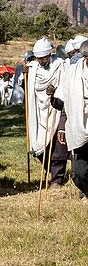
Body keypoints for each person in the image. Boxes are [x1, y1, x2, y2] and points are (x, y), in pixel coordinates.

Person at [27, 38, 68, 187]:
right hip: (39, 111)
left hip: (56, 109)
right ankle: (49, 170)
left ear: (49, 55)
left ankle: (57, 179)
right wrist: (24, 75)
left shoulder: (60, 66)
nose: (41, 61)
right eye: (38, 58)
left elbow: (65, 87)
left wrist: (55, 92)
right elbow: (23, 84)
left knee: (58, 147)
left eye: (43, 58)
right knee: (39, 145)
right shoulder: (32, 68)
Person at [50, 48, 88, 199]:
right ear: (85, 57)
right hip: (78, 126)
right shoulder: (72, 74)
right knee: (79, 172)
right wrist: (53, 95)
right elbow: (62, 103)